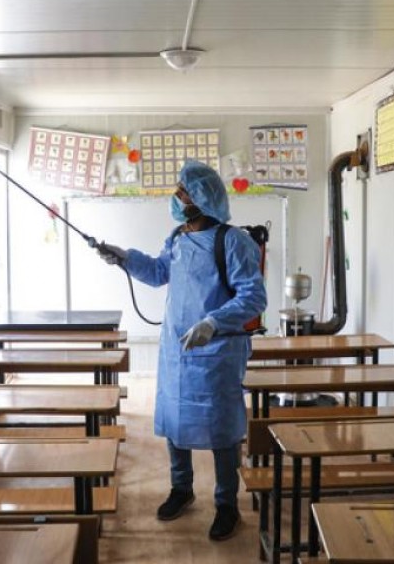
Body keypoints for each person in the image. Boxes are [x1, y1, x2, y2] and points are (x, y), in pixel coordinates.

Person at [99, 160, 267, 541]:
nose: (176, 197)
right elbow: (159, 272)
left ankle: (226, 503)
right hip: (177, 349)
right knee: (175, 418)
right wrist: (123, 258)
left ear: (202, 198)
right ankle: (182, 488)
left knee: (221, 427)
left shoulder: (232, 241)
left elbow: (254, 296)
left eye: (182, 191)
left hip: (218, 351)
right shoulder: (177, 238)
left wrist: (213, 322)